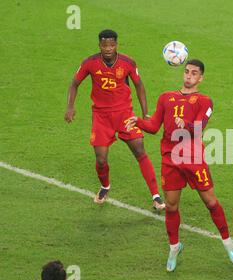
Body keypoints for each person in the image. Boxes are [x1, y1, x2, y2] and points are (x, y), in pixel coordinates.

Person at [125, 59, 233, 272]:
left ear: (201, 78)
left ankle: (227, 241)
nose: (189, 76)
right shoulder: (165, 98)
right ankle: (174, 247)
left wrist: (184, 125)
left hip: (193, 159)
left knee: (211, 202)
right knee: (171, 206)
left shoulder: (204, 101)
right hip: (170, 159)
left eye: (194, 73)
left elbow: (198, 129)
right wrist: (137, 121)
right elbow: (153, 126)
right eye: (187, 72)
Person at [64, 29, 165, 211]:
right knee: (101, 159)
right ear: (99, 46)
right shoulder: (90, 63)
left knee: (139, 150)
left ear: (116, 45)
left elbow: (139, 85)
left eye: (111, 45)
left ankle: (156, 196)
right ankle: (105, 187)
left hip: (125, 114)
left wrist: (145, 113)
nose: (108, 48)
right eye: (104, 45)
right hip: (101, 117)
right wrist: (70, 107)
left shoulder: (127, 62)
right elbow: (74, 83)